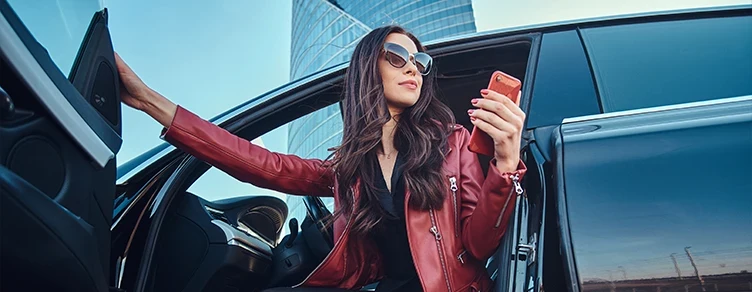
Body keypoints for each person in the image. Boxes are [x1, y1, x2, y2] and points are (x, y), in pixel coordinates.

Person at [115, 25, 526, 292]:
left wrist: (505, 165)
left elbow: (479, 244)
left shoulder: (451, 142)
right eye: (398, 57)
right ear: (369, 67)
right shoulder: (350, 169)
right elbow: (262, 164)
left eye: (421, 62)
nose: (414, 69)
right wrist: (150, 102)